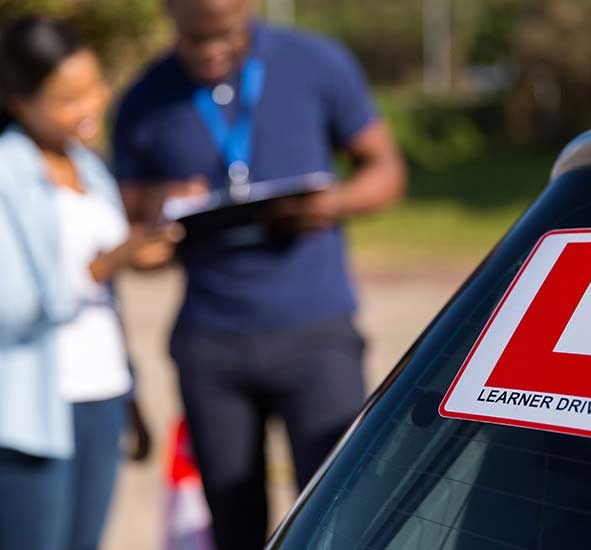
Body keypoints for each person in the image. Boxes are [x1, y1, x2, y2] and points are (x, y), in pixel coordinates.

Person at [112, 0, 406, 547]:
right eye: (196, 36)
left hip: (317, 334)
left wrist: (333, 202)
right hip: (212, 345)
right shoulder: (143, 98)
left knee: (334, 513)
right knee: (233, 521)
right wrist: (159, 204)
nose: (211, 51)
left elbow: (385, 170)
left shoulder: (316, 63)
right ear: (168, 9)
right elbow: (126, 224)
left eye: (224, 33)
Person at [0, 16, 179, 549]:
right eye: (68, 99)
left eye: (95, 87)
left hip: (103, 395)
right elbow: (11, 306)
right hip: (34, 414)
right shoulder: (8, 173)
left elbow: (107, 288)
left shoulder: (89, 165)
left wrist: (145, 250)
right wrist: (107, 262)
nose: (92, 107)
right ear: (19, 102)